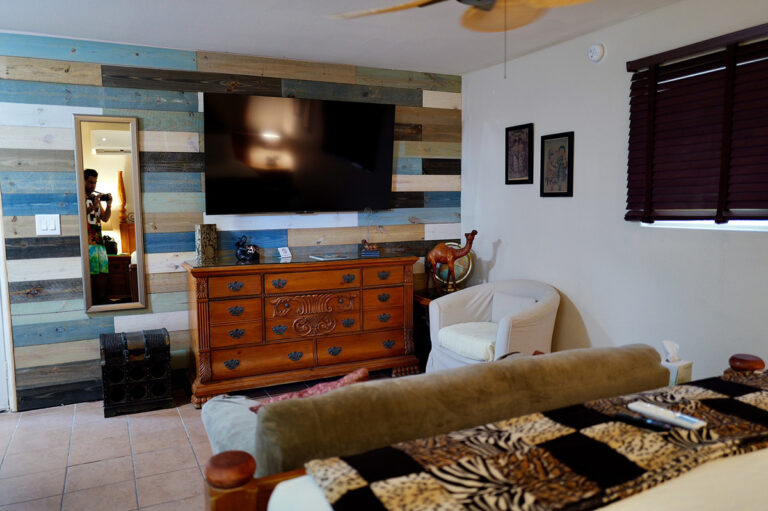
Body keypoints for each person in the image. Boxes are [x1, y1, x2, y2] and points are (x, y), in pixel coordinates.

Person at [84, 168, 112, 303]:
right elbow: (79, 214)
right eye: (90, 182)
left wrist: (109, 205)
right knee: (92, 273)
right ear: (83, 181)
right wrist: (93, 206)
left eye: (95, 182)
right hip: (87, 242)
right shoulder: (79, 197)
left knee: (103, 272)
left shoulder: (95, 199)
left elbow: (105, 218)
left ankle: (102, 299)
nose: (93, 185)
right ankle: (92, 300)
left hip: (99, 241)